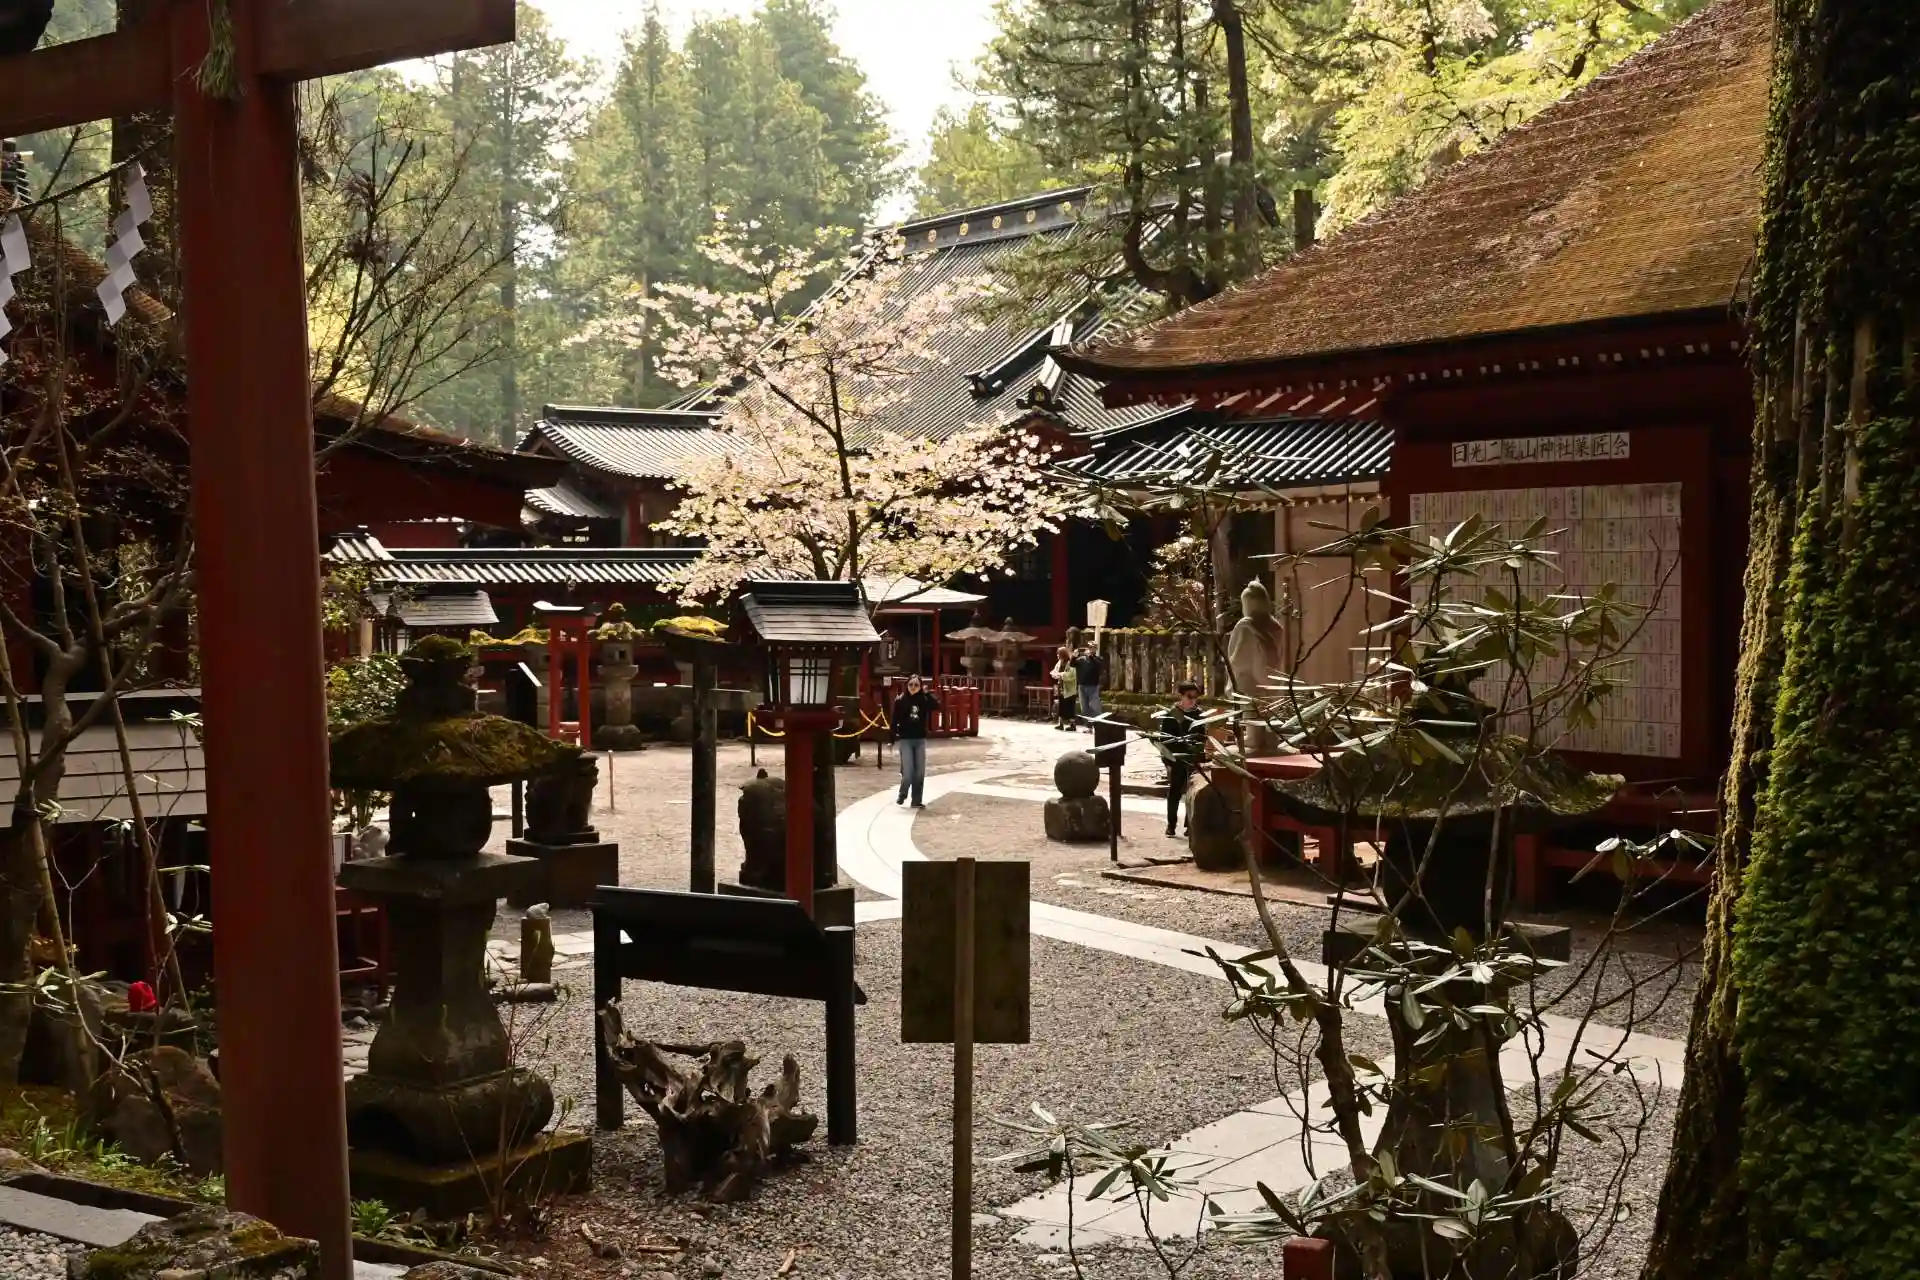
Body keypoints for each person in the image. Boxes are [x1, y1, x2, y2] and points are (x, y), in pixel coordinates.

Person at [1156, 680, 1207, 838]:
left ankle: (1189, 825)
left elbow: (1202, 737)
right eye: (1189, 696)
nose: (1193, 700)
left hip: (1192, 757)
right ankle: (1171, 824)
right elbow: (1164, 740)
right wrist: (1168, 761)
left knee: (1191, 792)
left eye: (1195, 697)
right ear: (1181, 696)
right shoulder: (1171, 714)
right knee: (1175, 792)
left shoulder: (1198, 714)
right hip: (1176, 758)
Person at [891, 674, 941, 808]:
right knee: (908, 772)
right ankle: (903, 793)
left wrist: (927, 693)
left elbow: (936, 706)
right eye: (911, 684)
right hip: (905, 740)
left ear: (920, 686)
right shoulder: (900, 700)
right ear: (907, 685)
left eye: (916, 685)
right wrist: (891, 738)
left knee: (919, 772)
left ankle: (916, 800)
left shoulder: (923, 699)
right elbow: (894, 720)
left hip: (920, 739)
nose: (913, 687)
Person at [1072, 645, 1106, 720]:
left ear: (1096, 649)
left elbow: (1098, 666)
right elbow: (1072, 664)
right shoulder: (1081, 659)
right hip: (1081, 686)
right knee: (1084, 707)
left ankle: (1098, 723)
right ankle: (1087, 724)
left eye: (1093, 648)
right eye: (1089, 648)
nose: (1091, 650)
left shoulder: (1098, 659)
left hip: (1092, 686)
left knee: (1095, 706)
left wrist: (1090, 657)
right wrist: (1073, 656)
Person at [1049, 645, 1078, 730]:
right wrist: (1054, 674)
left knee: (1070, 707)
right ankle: (1061, 724)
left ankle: (1072, 725)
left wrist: (1060, 675)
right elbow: (1055, 670)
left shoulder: (1071, 662)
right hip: (1061, 688)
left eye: (1059, 654)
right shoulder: (1059, 662)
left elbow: (1072, 675)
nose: (1057, 655)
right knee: (1061, 706)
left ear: (1063, 654)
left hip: (1070, 689)